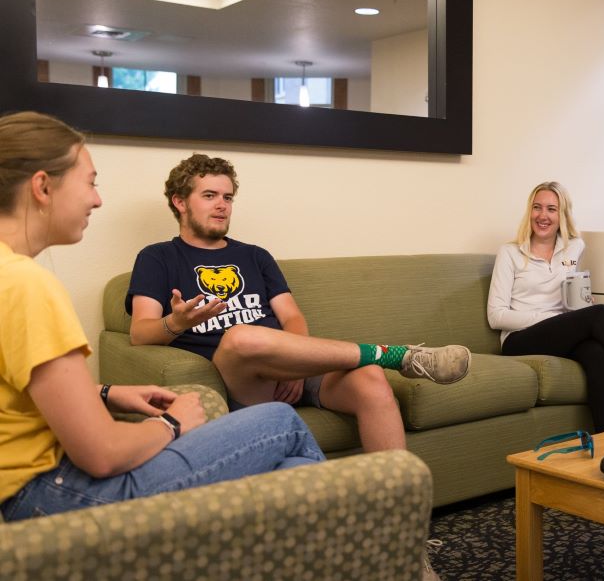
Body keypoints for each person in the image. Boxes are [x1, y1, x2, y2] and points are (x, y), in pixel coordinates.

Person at [0, 111, 326, 522]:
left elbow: (15, 392)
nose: (97, 199)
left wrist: (105, 392)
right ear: (43, 187)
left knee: (290, 470)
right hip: (58, 492)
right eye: (90, 182)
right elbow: (101, 454)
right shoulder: (26, 284)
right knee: (282, 422)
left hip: (27, 492)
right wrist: (171, 424)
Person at [126, 154, 471, 454]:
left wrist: (295, 364)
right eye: (210, 195)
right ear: (180, 202)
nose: (222, 205)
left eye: (228, 197)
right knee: (241, 336)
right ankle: (395, 354)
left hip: (291, 365)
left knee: (371, 380)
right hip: (243, 375)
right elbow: (140, 333)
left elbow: (291, 316)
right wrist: (178, 322)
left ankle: (402, 519)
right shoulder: (158, 258)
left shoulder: (254, 255)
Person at [487, 181, 604, 434]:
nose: (543, 216)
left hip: (556, 334)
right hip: (518, 339)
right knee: (602, 314)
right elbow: (496, 316)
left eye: (551, 209)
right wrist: (552, 318)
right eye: (537, 208)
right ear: (529, 212)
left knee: (596, 351)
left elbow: (570, 297)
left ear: (562, 215)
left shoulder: (574, 247)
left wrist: (580, 306)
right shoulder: (510, 253)